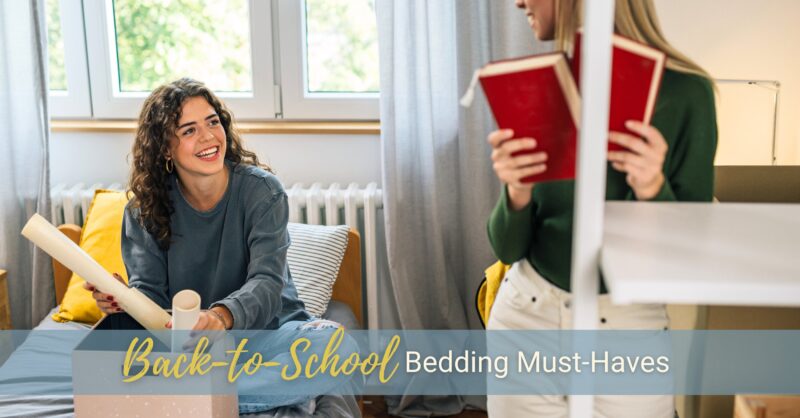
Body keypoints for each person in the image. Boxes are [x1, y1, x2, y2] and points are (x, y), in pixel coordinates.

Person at [486, 0, 717, 416]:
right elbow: (507, 249)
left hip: (629, 329)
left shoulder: (686, 95)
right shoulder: (544, 87)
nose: (517, 1)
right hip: (526, 321)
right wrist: (515, 193)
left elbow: (687, 255)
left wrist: (652, 188)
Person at [83, 78, 355, 413]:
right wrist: (124, 301)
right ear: (165, 148)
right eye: (189, 130)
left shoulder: (262, 193)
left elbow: (267, 285)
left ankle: (203, 397)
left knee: (336, 346)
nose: (209, 137)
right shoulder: (142, 212)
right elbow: (151, 297)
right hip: (194, 353)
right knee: (112, 363)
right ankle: (250, 396)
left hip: (269, 337)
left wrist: (220, 315)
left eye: (213, 122)